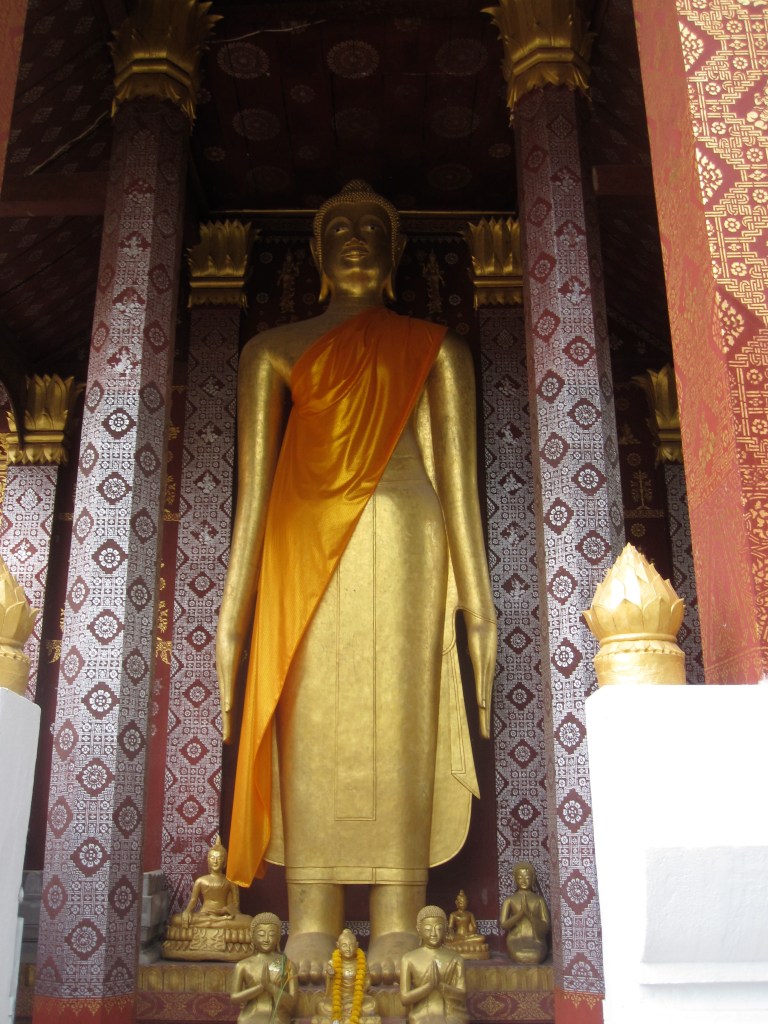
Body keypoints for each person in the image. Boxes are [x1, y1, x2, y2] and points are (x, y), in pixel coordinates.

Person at [216, 180, 497, 982]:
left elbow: (459, 487)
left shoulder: (437, 349)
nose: (354, 236)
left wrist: (479, 603)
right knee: (309, 710)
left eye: (372, 227)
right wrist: (233, 611)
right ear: (314, 251)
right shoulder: (270, 351)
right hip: (299, 542)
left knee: (402, 711)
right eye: (338, 226)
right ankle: (312, 912)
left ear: (396, 250)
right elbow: (252, 496)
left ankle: (401, 914)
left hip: (409, 537)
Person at [162, 836, 253, 961]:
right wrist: (187, 911)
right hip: (204, 915)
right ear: (208, 860)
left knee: (249, 922)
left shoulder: (230, 882)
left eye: (219, 858)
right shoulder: (201, 881)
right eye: (212, 858)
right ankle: (213, 923)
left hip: (223, 917)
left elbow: (235, 907)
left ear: (225, 862)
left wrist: (223, 911)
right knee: (175, 920)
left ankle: (212, 923)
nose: (215, 861)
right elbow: (193, 901)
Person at [400, 906, 467, 1024]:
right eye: (428, 929)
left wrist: (441, 986)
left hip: (451, 1013)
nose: (433, 933)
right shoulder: (408, 959)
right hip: (421, 1014)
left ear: (445, 929)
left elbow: (462, 994)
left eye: (439, 928)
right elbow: (404, 999)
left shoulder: (456, 958)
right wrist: (429, 987)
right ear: (419, 929)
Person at [231, 913, 297, 1024]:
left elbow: (292, 1002)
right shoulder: (243, 965)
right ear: (252, 936)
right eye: (261, 934)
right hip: (251, 1015)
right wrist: (260, 988)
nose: (266, 939)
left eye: (271, 935)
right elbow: (234, 998)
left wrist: (270, 987)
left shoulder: (287, 964)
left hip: (278, 1016)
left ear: (278, 937)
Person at [314, 928, 378, 1024]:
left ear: (357, 945)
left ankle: (343, 1017)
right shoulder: (332, 963)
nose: (348, 949)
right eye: (344, 945)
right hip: (338, 999)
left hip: (356, 998)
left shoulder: (362, 963)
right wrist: (330, 976)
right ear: (338, 945)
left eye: (351, 945)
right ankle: (348, 1016)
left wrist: (358, 994)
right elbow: (329, 988)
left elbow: (368, 981)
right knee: (321, 1005)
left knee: (373, 1005)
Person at [499, 862, 550, 965]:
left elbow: (546, 926)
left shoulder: (539, 900)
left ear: (533, 879)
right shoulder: (510, 900)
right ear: (515, 879)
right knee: (520, 954)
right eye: (520, 878)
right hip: (516, 939)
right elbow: (503, 925)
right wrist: (520, 914)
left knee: (535, 955)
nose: (523, 881)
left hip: (535, 939)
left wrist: (529, 914)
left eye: (527, 877)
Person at [445, 890, 489, 958]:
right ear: (457, 903)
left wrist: (470, 933)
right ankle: (461, 943)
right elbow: (450, 927)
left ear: (467, 902)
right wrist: (452, 934)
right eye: (461, 903)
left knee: (482, 938)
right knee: (446, 938)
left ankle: (460, 943)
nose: (463, 904)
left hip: (468, 936)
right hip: (457, 936)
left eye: (464, 903)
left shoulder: (470, 914)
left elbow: (475, 927)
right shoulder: (453, 914)